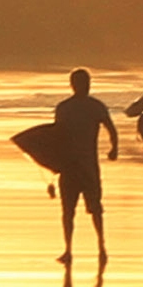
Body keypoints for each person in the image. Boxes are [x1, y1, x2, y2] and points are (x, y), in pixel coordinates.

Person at [53, 69, 118, 266]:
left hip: (79, 167)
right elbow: (56, 137)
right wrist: (114, 148)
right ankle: (72, 250)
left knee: (90, 209)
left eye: (87, 82)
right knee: (72, 211)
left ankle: (99, 248)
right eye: (84, 82)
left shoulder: (70, 107)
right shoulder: (87, 107)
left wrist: (115, 147)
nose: (87, 85)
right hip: (76, 167)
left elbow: (111, 129)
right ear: (75, 84)